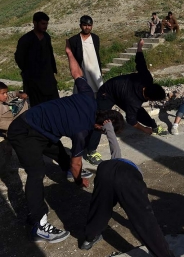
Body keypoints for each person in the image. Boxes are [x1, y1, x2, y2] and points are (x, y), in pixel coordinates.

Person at [6, 40, 125, 244]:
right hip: (23, 131)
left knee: (59, 150)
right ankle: (38, 224)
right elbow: (77, 161)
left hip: (40, 126)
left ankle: (66, 170)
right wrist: (79, 180)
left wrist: (70, 53)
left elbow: (77, 73)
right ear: (102, 126)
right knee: (36, 173)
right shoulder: (81, 132)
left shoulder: (89, 97)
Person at [85, 39, 167, 165]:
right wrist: (144, 129)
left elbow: (140, 63)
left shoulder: (147, 79)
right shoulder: (132, 100)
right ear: (149, 97)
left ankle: (154, 126)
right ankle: (91, 151)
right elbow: (131, 120)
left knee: (139, 111)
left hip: (122, 92)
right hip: (107, 93)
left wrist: (139, 47)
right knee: (99, 119)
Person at [80, 158, 174, 256]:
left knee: (99, 207)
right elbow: (141, 202)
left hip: (104, 169)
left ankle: (89, 238)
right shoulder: (136, 174)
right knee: (144, 218)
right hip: (127, 174)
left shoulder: (116, 162)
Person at [15, 11, 59, 107]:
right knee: (37, 107)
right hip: (33, 80)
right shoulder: (25, 39)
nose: (45, 26)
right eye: (43, 24)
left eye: (46, 24)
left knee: (54, 105)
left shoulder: (46, 37)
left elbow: (50, 54)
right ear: (35, 23)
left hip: (48, 77)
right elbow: (19, 58)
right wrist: (28, 70)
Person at [68, 15, 103, 94]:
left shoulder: (95, 38)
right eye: (85, 25)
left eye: (89, 25)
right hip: (82, 71)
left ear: (92, 26)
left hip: (95, 70)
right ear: (80, 26)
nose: (87, 27)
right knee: (82, 91)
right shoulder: (74, 40)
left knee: (98, 91)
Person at [0, 82, 29, 170]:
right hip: (9, 128)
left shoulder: (4, 99)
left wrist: (19, 94)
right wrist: (14, 124)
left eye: (6, 93)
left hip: (12, 123)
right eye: (3, 93)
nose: (6, 95)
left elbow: (11, 94)